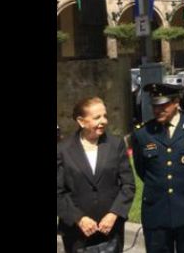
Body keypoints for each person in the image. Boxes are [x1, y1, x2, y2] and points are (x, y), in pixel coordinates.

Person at [131, 83, 184, 253]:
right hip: (156, 212)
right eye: (155, 105)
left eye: (163, 105)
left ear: (176, 102)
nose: (158, 110)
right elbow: (142, 170)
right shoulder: (143, 133)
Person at [57, 97, 135, 253]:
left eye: (105, 116)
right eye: (97, 117)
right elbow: (59, 191)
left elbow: (128, 185)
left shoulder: (115, 145)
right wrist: (79, 218)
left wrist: (114, 214)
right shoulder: (63, 150)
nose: (104, 121)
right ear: (81, 121)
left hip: (110, 230)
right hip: (77, 232)